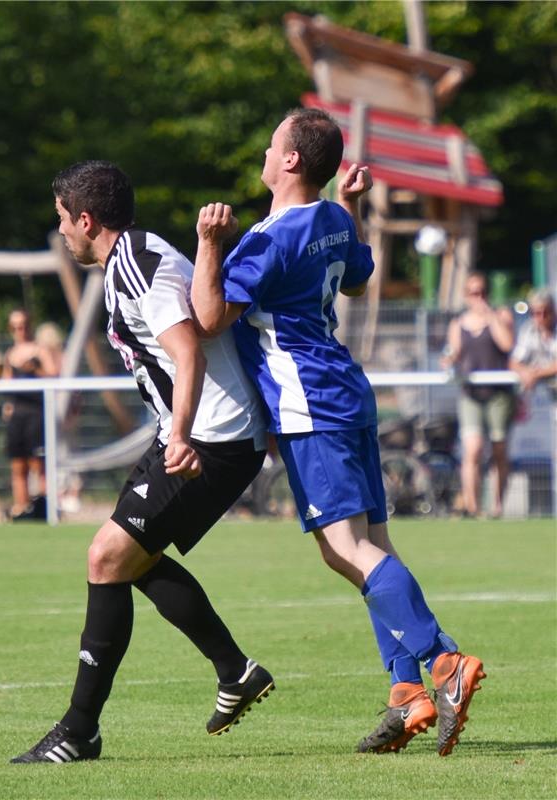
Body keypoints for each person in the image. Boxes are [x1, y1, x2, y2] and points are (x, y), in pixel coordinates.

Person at [190, 107, 484, 757]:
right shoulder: (328, 218)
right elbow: (355, 278)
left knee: (345, 548)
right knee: (370, 546)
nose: (264, 155)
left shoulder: (268, 239)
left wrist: (209, 244)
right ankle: (406, 694)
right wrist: (351, 206)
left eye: (271, 146)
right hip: (347, 393)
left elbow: (209, 317)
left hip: (309, 405)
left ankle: (442, 662)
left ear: (291, 161)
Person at [10, 160, 272, 764]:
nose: (61, 234)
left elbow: (187, 354)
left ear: (85, 219)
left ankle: (79, 732)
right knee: (129, 558)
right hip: (202, 433)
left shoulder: (134, 266)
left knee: (107, 555)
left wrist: (179, 436)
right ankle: (234, 670)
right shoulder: (137, 252)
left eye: (61, 221)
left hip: (212, 438)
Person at [443, 272, 515, 517]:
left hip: (499, 394)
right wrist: (449, 359)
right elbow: (454, 352)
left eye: (482, 292)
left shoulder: (501, 316)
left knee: (499, 450)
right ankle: (473, 508)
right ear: (466, 296)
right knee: (472, 449)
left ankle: (497, 506)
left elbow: (507, 345)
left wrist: (490, 316)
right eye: (474, 293)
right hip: (471, 394)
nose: (479, 297)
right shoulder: (458, 324)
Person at [1, 309, 59, 521]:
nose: (20, 331)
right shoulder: (10, 354)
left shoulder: (40, 350)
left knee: (38, 463)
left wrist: (35, 369)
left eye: (23, 325)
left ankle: (43, 505)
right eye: (15, 327)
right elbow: (6, 384)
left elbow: (54, 376)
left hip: (37, 413)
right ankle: (22, 507)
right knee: (18, 464)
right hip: (18, 414)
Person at [510, 289, 557, 397]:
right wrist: (525, 372)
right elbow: (514, 362)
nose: (541, 317)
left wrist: (536, 374)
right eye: (536, 313)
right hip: (537, 395)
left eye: (545, 312)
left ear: (553, 311)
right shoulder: (527, 329)